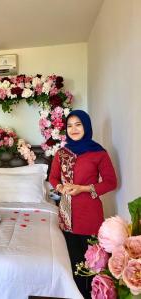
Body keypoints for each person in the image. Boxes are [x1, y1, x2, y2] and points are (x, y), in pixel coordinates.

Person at [49, 110, 117, 299]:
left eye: (78, 124)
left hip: (90, 213)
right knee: (72, 262)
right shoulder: (62, 153)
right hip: (67, 213)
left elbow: (111, 182)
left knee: (93, 263)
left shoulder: (98, 152)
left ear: (86, 126)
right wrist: (61, 187)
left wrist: (84, 188)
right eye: (69, 125)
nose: (73, 129)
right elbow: (53, 177)